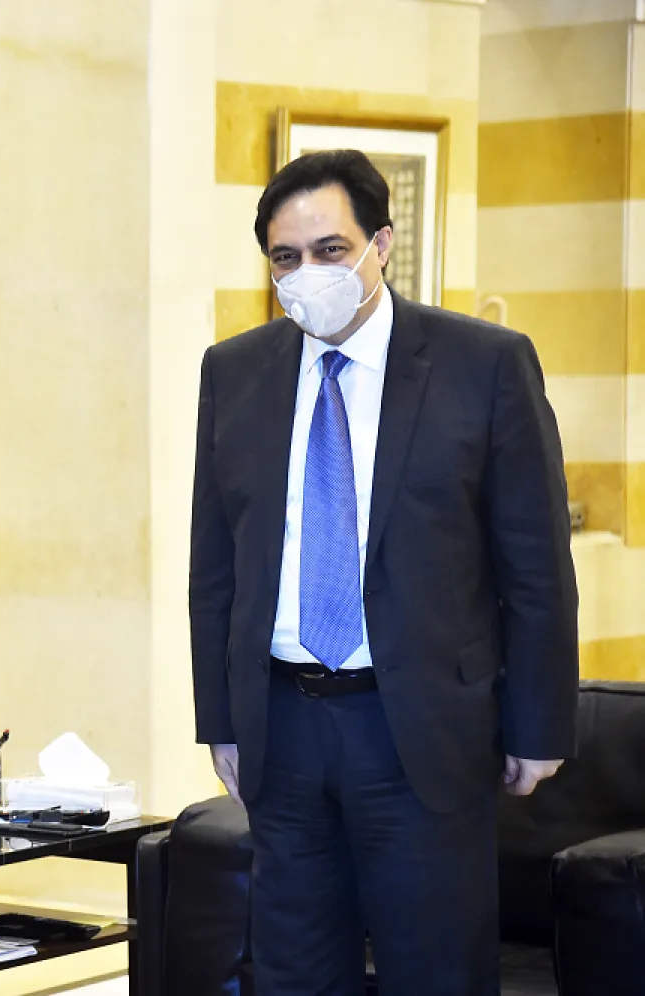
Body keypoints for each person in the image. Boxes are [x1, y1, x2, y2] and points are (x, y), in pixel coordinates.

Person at [188, 149, 578, 995]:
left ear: (382, 244)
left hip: (419, 731)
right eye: (285, 257)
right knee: (294, 974)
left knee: (435, 971)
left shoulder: (484, 364)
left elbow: (537, 567)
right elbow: (214, 566)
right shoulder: (235, 371)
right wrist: (219, 718)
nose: (306, 274)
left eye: (329, 250)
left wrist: (538, 726)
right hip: (281, 727)